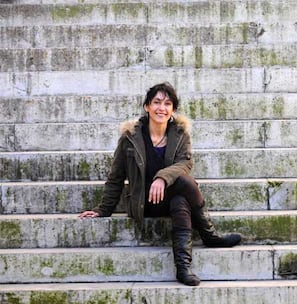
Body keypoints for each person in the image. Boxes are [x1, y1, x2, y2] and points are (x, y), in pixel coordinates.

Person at [79, 82, 241, 286]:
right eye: (156, 102)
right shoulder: (130, 137)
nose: (161, 108)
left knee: (181, 200)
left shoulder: (180, 134)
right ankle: (209, 234)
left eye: (167, 103)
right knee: (184, 183)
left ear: (173, 109)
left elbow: (185, 163)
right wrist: (102, 210)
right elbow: (116, 177)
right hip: (142, 202)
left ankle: (183, 269)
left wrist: (162, 178)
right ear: (147, 106)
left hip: (168, 198)